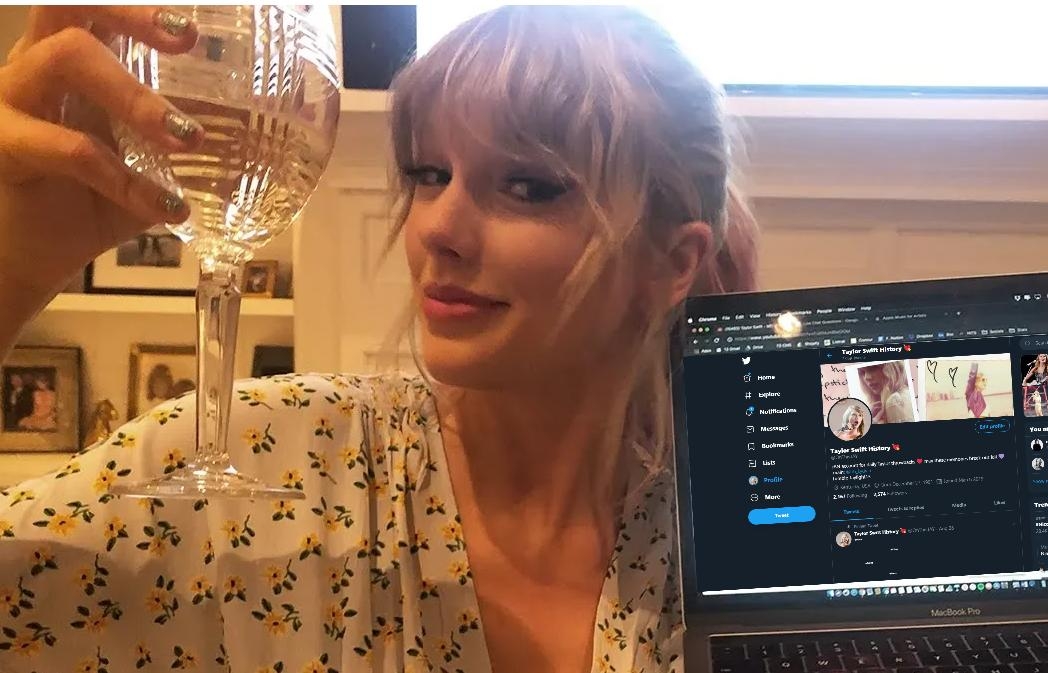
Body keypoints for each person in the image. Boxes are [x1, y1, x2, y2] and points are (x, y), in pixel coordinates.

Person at [0, 6, 759, 672]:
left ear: (673, 260)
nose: (438, 228)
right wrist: (12, 265)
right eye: (431, 173)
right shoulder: (252, 459)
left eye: (529, 185)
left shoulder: (744, 531)